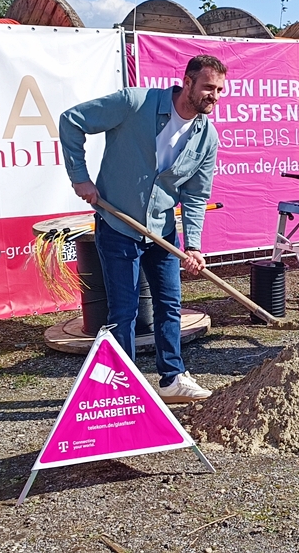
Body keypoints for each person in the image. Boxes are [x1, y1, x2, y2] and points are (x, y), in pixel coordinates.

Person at [60, 54, 228, 403]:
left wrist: (193, 245)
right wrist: (80, 178)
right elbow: (71, 121)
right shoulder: (134, 104)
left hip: (163, 231)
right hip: (118, 224)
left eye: (220, 90)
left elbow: (196, 196)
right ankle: (124, 387)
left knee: (170, 305)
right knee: (123, 310)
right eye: (209, 87)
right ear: (188, 81)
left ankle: (172, 379)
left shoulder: (206, 137)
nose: (215, 96)